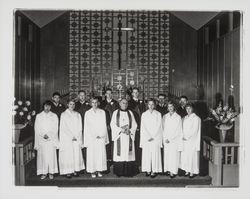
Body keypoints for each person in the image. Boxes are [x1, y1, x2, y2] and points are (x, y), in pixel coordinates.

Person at [111, 98, 138, 177]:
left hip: (128, 136)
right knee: (120, 154)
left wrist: (130, 131)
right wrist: (121, 130)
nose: (125, 104)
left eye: (126, 103)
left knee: (128, 153)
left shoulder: (130, 113)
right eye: (123, 103)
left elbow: (134, 124)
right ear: (119, 104)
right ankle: (119, 172)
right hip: (119, 136)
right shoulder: (115, 113)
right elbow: (112, 124)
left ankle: (128, 172)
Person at [59, 99, 85, 178]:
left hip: (76, 138)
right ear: (67, 105)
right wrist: (71, 136)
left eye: (73, 104)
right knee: (69, 154)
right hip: (68, 138)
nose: (72, 106)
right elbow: (63, 127)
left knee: (76, 154)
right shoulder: (63, 114)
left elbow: (80, 127)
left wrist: (77, 136)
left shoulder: (77, 114)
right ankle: (68, 171)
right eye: (70, 104)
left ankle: (75, 170)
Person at [84, 97, 109, 178]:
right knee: (92, 154)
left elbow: (103, 125)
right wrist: (94, 134)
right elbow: (87, 126)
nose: (94, 104)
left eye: (96, 102)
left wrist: (100, 134)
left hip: (100, 137)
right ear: (90, 103)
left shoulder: (102, 112)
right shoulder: (87, 113)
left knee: (100, 154)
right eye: (93, 102)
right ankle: (93, 171)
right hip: (92, 138)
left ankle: (99, 170)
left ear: (98, 103)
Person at [34, 100, 59, 180]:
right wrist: (43, 135)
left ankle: (51, 172)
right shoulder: (39, 116)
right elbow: (37, 128)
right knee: (43, 156)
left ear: (51, 107)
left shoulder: (54, 116)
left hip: (51, 139)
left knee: (51, 156)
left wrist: (49, 135)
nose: (47, 108)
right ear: (43, 106)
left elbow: (55, 128)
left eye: (49, 106)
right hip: (42, 139)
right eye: (46, 106)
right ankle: (44, 172)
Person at [140, 99, 163, 178]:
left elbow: (159, 126)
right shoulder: (144, 114)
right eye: (149, 104)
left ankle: (154, 170)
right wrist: (148, 136)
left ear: (155, 105)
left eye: (152, 104)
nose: (151, 106)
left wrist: (153, 136)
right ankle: (148, 169)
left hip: (155, 138)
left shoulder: (158, 114)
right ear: (147, 105)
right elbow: (143, 127)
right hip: (147, 138)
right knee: (147, 154)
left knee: (155, 154)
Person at [162, 101, 183, 178]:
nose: (170, 108)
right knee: (167, 155)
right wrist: (165, 138)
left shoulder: (178, 117)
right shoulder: (165, 116)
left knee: (173, 156)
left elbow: (178, 130)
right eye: (169, 107)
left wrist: (170, 138)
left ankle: (173, 171)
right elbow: (163, 128)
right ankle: (168, 169)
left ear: (174, 107)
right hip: (166, 139)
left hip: (174, 140)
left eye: (171, 106)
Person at [180, 103, 201, 178]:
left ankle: (192, 171)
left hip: (192, 140)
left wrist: (187, 137)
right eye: (187, 108)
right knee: (185, 155)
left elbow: (195, 130)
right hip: (184, 140)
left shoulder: (196, 118)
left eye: (190, 108)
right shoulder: (184, 118)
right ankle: (187, 170)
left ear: (192, 109)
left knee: (192, 156)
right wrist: (183, 136)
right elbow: (181, 128)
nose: (188, 110)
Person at [128, 87, 146, 168]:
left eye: (137, 92)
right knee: (133, 144)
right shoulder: (129, 103)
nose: (135, 93)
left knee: (140, 144)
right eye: (134, 92)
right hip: (133, 127)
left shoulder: (142, 102)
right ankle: (133, 162)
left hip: (142, 126)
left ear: (138, 93)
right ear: (132, 94)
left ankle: (140, 161)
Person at [100, 88, 119, 163]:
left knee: (113, 142)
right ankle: (106, 158)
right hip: (105, 126)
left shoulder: (116, 103)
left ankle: (113, 158)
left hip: (114, 126)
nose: (109, 95)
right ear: (105, 94)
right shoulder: (101, 103)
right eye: (107, 93)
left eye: (110, 93)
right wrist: (106, 124)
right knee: (106, 142)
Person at [75, 90, 91, 162]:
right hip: (77, 128)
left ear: (85, 96)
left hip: (86, 127)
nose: (82, 97)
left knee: (86, 144)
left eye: (83, 95)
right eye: (80, 95)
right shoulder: (75, 105)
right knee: (78, 145)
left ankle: (87, 162)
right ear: (78, 96)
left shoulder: (89, 105)